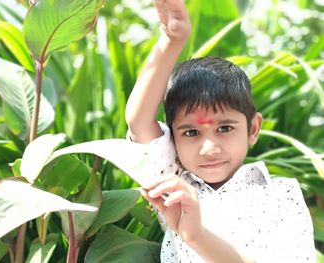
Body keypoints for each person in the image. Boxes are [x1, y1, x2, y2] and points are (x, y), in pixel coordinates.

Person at [125, 0, 316, 262]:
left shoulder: (282, 194)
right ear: (174, 137)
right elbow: (138, 121)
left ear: (253, 128)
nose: (209, 148)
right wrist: (171, 39)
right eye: (191, 133)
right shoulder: (176, 187)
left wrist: (197, 236)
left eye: (225, 128)